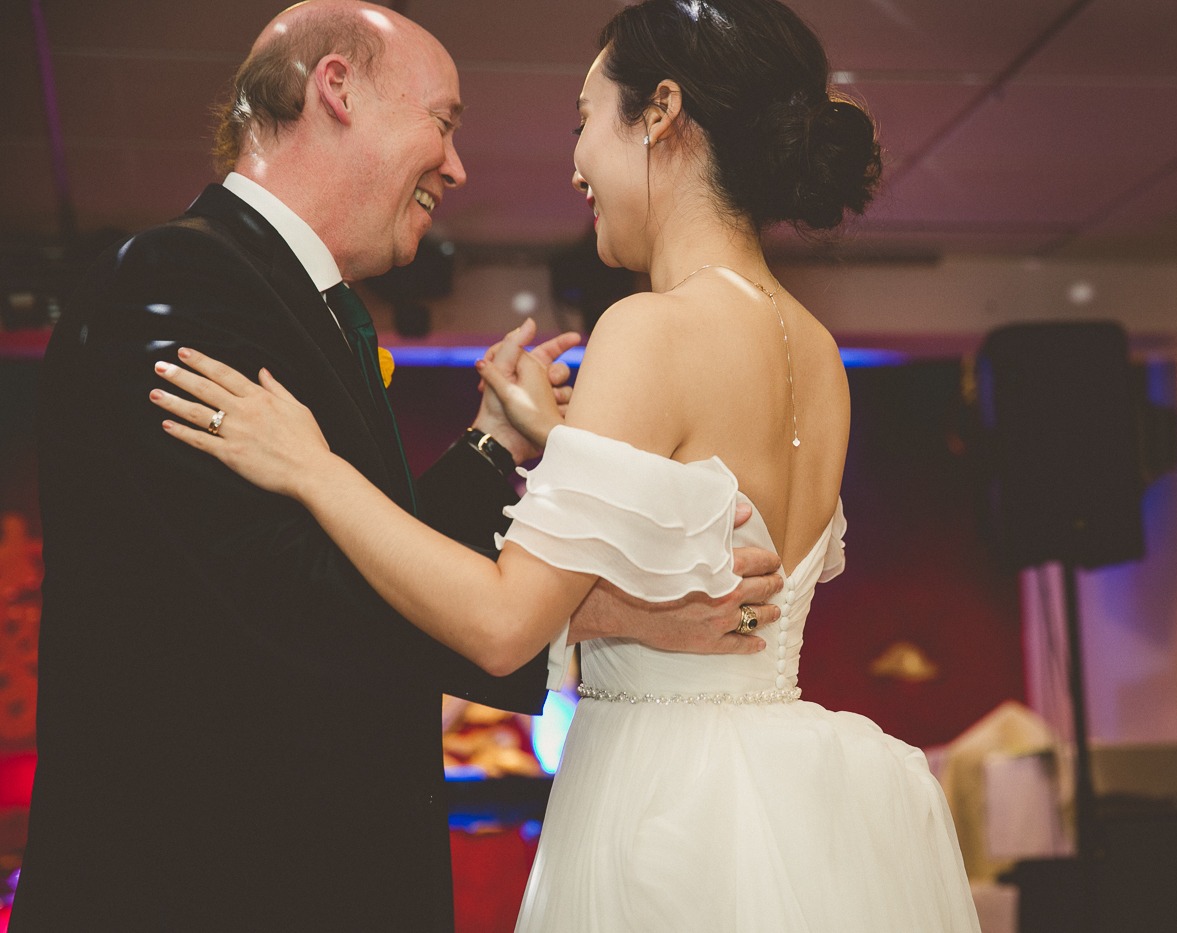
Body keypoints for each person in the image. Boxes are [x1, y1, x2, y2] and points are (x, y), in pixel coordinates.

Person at [147, 0, 981, 929]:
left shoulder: (647, 330)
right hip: (788, 798)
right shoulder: (820, 353)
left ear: (660, 113)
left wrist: (310, 465)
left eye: (585, 121)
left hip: (660, 799)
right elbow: (693, 502)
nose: (576, 164)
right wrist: (546, 436)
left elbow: (506, 625)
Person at [11, 2, 784, 930]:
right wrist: (613, 617)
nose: (457, 166)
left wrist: (489, 443)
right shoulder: (178, 280)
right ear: (336, 89)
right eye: (444, 122)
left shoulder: (310, 303)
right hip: (204, 882)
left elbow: (375, 548)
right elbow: (279, 592)